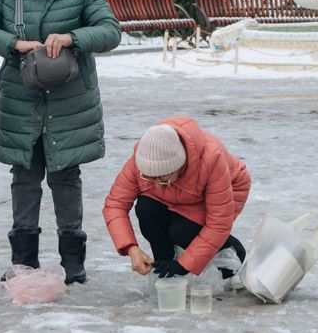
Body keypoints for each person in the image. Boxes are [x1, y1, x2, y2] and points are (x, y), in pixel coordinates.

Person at [0, 0, 120, 285]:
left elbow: (110, 30)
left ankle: (72, 261)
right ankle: (24, 260)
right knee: (24, 178)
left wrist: (72, 38)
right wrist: (13, 44)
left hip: (69, 102)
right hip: (21, 101)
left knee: (66, 178)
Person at [102, 118, 249, 281]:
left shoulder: (212, 158)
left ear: (180, 164)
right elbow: (115, 205)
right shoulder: (143, 158)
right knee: (146, 208)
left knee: (181, 232)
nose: (157, 183)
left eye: (163, 177)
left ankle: (232, 252)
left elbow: (219, 223)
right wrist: (131, 248)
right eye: (150, 177)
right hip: (176, 195)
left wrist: (184, 265)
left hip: (226, 189)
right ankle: (164, 265)